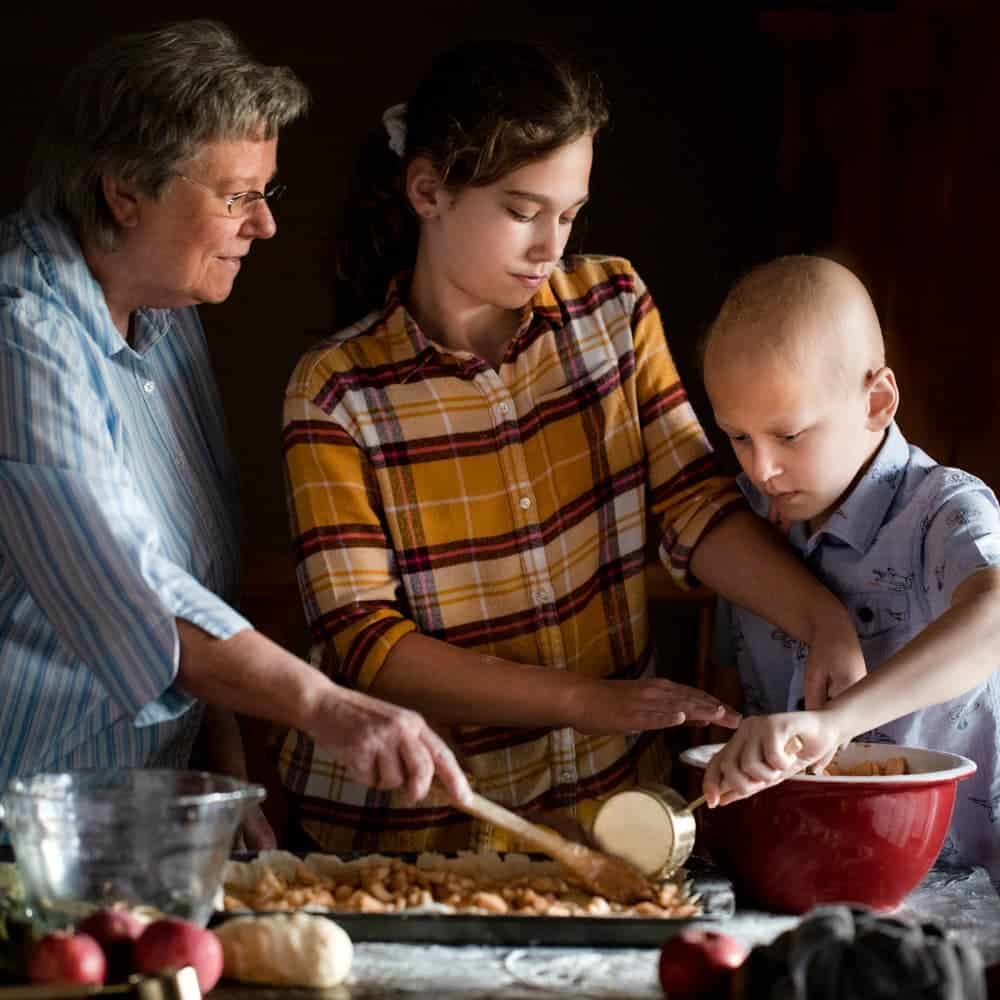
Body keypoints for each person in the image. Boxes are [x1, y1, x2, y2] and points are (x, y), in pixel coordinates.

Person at [278, 40, 870, 854]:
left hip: (610, 811)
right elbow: (369, 645)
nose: (550, 246)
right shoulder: (336, 390)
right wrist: (585, 700)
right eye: (523, 211)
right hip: (416, 829)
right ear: (427, 190)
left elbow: (694, 505)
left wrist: (823, 619)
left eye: (570, 213)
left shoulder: (613, 307)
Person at [0, 19, 472, 844]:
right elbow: (136, 597)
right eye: (235, 196)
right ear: (124, 192)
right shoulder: (19, 338)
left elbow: (192, 574)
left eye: (267, 192)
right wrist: (329, 707)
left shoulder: (162, 303)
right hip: (24, 834)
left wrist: (221, 772)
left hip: (137, 821)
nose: (265, 227)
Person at [699, 255, 1000, 880]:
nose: (761, 469)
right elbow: (729, 687)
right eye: (739, 437)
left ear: (878, 401)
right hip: (792, 869)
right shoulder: (744, 521)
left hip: (963, 882)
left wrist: (837, 720)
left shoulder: (944, 510)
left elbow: (994, 617)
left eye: (788, 436)